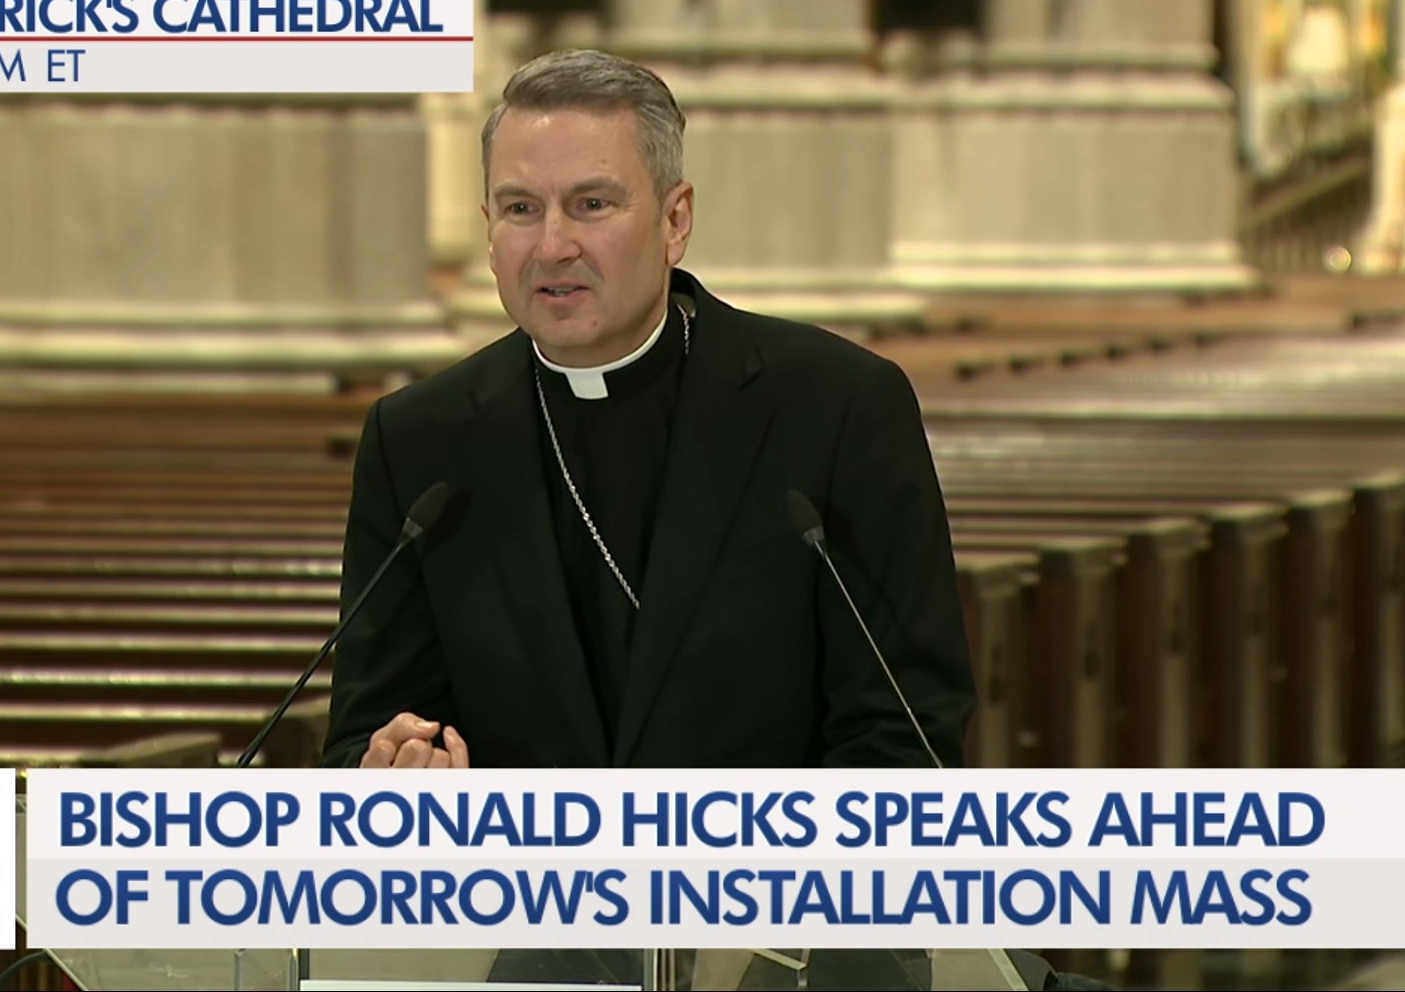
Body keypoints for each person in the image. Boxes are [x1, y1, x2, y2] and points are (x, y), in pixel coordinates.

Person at [319, 48, 981, 989]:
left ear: (675, 221)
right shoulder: (421, 441)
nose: (552, 245)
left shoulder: (834, 409)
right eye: (520, 208)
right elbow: (370, 731)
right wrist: (391, 775)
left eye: (592, 204)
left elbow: (904, 736)